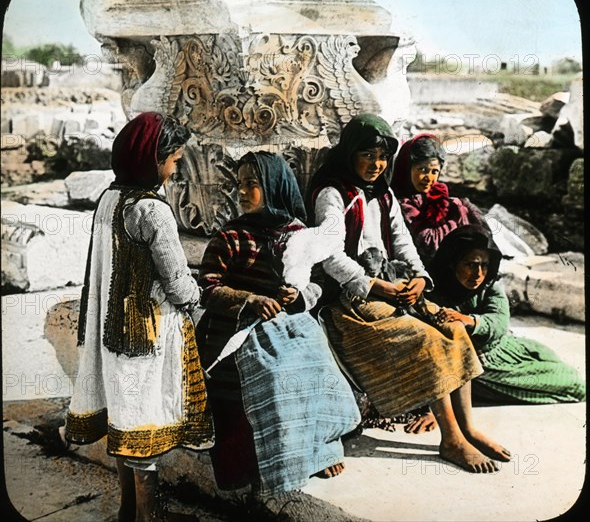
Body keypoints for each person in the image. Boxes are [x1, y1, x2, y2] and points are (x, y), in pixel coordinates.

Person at [309, 113, 511, 473]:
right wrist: (373, 285)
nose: (377, 165)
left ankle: (467, 428)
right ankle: (451, 441)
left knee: (453, 327)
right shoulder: (333, 194)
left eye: (383, 156)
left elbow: (403, 243)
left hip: (389, 289)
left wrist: (419, 277)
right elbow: (329, 255)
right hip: (350, 301)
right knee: (426, 339)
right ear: (351, 153)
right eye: (367, 155)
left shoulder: (383, 195)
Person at [63, 112, 214, 522]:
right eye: (174, 159)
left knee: (124, 421)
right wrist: (204, 294)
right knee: (143, 424)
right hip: (145, 335)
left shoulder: (110, 198)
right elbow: (179, 283)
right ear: (154, 159)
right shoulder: (152, 210)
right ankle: (146, 516)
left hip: (109, 330)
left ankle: (127, 510)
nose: (176, 168)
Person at [196, 150, 360, 495]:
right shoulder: (230, 237)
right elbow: (208, 289)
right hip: (237, 331)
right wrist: (250, 299)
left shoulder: (299, 234)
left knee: (321, 368)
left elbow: (319, 283)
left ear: (274, 187)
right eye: (239, 184)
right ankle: (274, 464)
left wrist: (298, 297)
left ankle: (320, 449)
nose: (241, 192)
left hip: (287, 325)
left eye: (252, 184)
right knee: (274, 376)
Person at [428, 224, 586, 405]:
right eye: (470, 265)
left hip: (505, 349)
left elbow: (499, 322)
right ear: (452, 262)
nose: (478, 274)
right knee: (576, 386)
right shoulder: (434, 291)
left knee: (554, 362)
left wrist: (470, 320)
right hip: (483, 366)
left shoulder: (489, 287)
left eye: (484, 265)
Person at [390, 133, 488, 266]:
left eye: (434, 171)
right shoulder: (402, 203)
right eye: (422, 170)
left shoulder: (435, 193)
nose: (428, 178)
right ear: (407, 168)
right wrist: (457, 218)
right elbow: (428, 243)